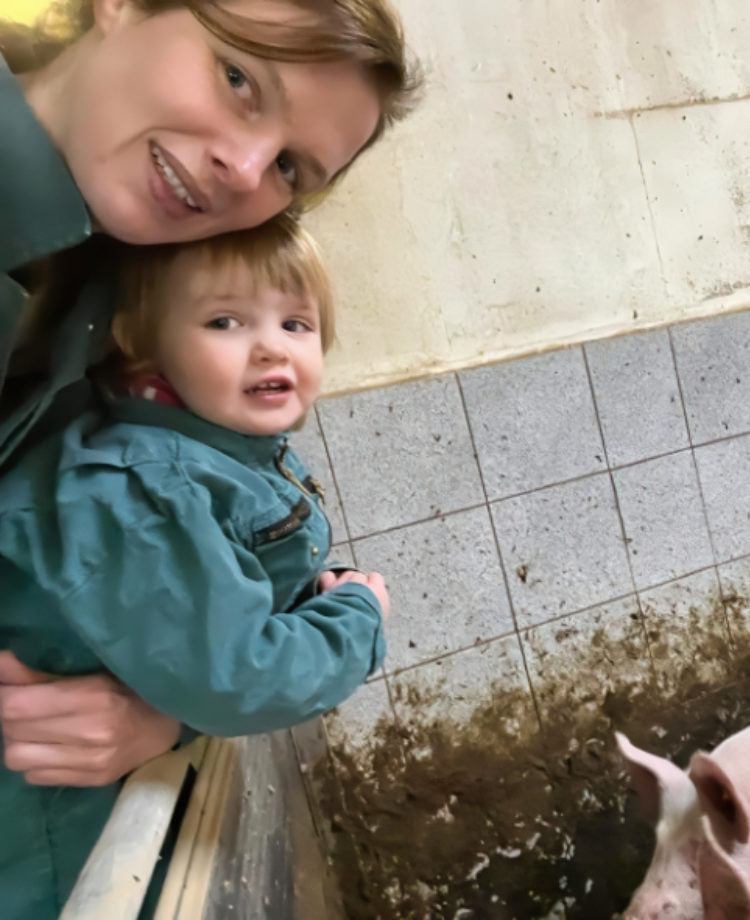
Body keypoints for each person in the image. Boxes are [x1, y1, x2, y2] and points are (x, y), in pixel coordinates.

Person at [0, 0, 418, 791]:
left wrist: (161, 708)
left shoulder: (111, 287)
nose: (249, 166)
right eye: (238, 78)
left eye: (292, 167)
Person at [0, 214, 391, 918]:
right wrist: (356, 617)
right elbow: (236, 676)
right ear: (139, 344)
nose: (272, 346)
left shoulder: (209, 448)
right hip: (48, 825)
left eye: (296, 324)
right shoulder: (146, 485)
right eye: (225, 322)